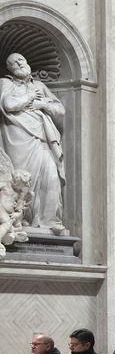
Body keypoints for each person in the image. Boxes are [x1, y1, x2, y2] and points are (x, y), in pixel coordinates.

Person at [0, 52, 67, 232]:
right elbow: (8, 104)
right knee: (21, 182)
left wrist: (43, 104)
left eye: (21, 59)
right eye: (13, 62)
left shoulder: (39, 86)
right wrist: (29, 98)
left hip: (43, 137)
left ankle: (50, 220)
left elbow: (60, 110)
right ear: (9, 69)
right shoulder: (6, 83)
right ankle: (19, 221)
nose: (19, 63)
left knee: (51, 178)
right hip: (17, 138)